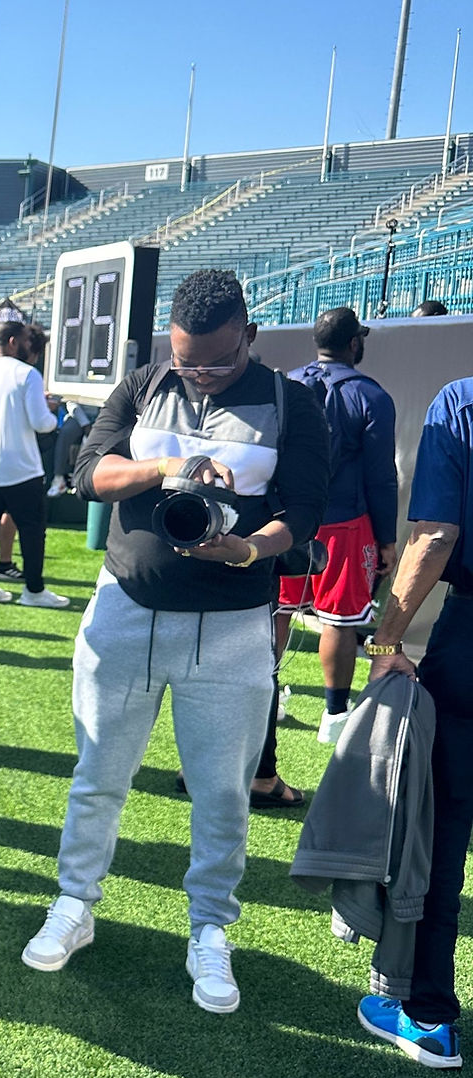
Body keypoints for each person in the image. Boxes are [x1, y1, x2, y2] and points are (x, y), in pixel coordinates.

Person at [24, 269, 330, 1014]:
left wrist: (251, 549)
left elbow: (307, 514)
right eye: (186, 359)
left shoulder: (294, 404)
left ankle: (210, 931)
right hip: (125, 607)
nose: (198, 376)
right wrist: (163, 467)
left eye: (216, 363)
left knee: (223, 795)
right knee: (99, 773)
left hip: (230, 628)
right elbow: (89, 472)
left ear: (250, 337)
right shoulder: (142, 386)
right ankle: (75, 902)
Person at [356, 379, 473, 1071]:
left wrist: (385, 639)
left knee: (446, 828)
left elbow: (435, 532)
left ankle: (428, 1014)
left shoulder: (461, 400)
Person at [280, 308, 398, 744]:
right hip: (344, 522)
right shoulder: (372, 395)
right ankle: (333, 717)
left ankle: (267, 699)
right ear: (354, 343)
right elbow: (381, 476)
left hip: (287, 520)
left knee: (276, 612)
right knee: (340, 620)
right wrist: (386, 539)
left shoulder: (286, 384)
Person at [0, 320, 69, 609]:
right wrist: (50, 410)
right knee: (31, 529)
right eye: (26, 342)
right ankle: (33, 590)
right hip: (20, 466)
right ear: (13, 342)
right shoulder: (27, 374)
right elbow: (41, 424)